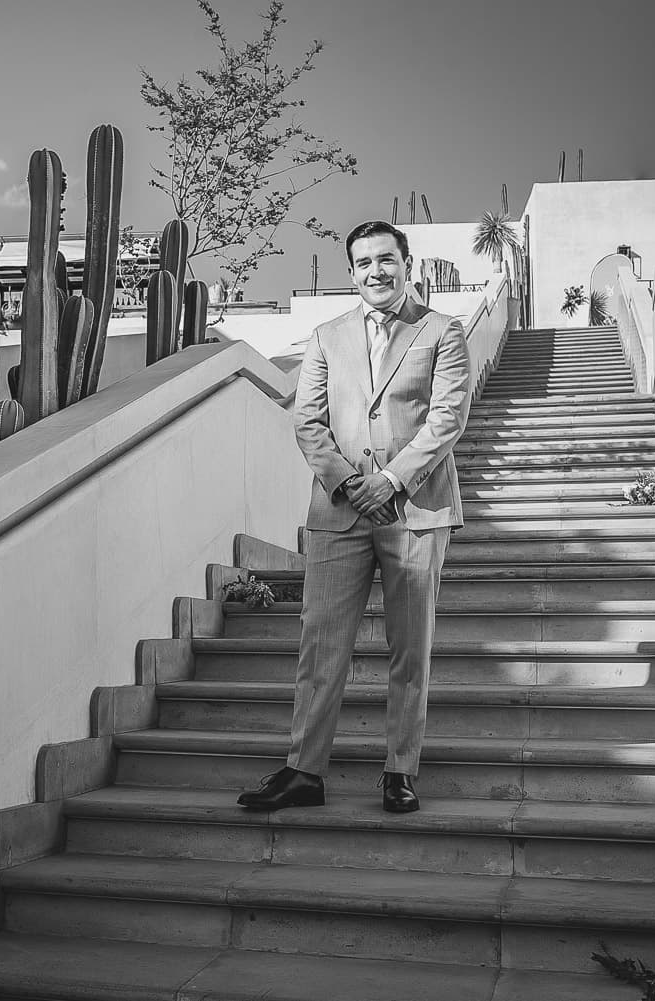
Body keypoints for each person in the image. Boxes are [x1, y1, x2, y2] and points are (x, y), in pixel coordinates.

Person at [238, 220, 472, 814]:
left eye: (386, 259)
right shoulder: (325, 335)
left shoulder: (442, 331)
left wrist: (392, 479)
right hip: (339, 511)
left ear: (406, 263)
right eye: (364, 262)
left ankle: (400, 770)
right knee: (321, 645)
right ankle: (304, 771)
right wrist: (348, 481)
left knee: (409, 648)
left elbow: (447, 417)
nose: (376, 271)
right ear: (352, 272)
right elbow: (307, 421)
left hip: (414, 508)